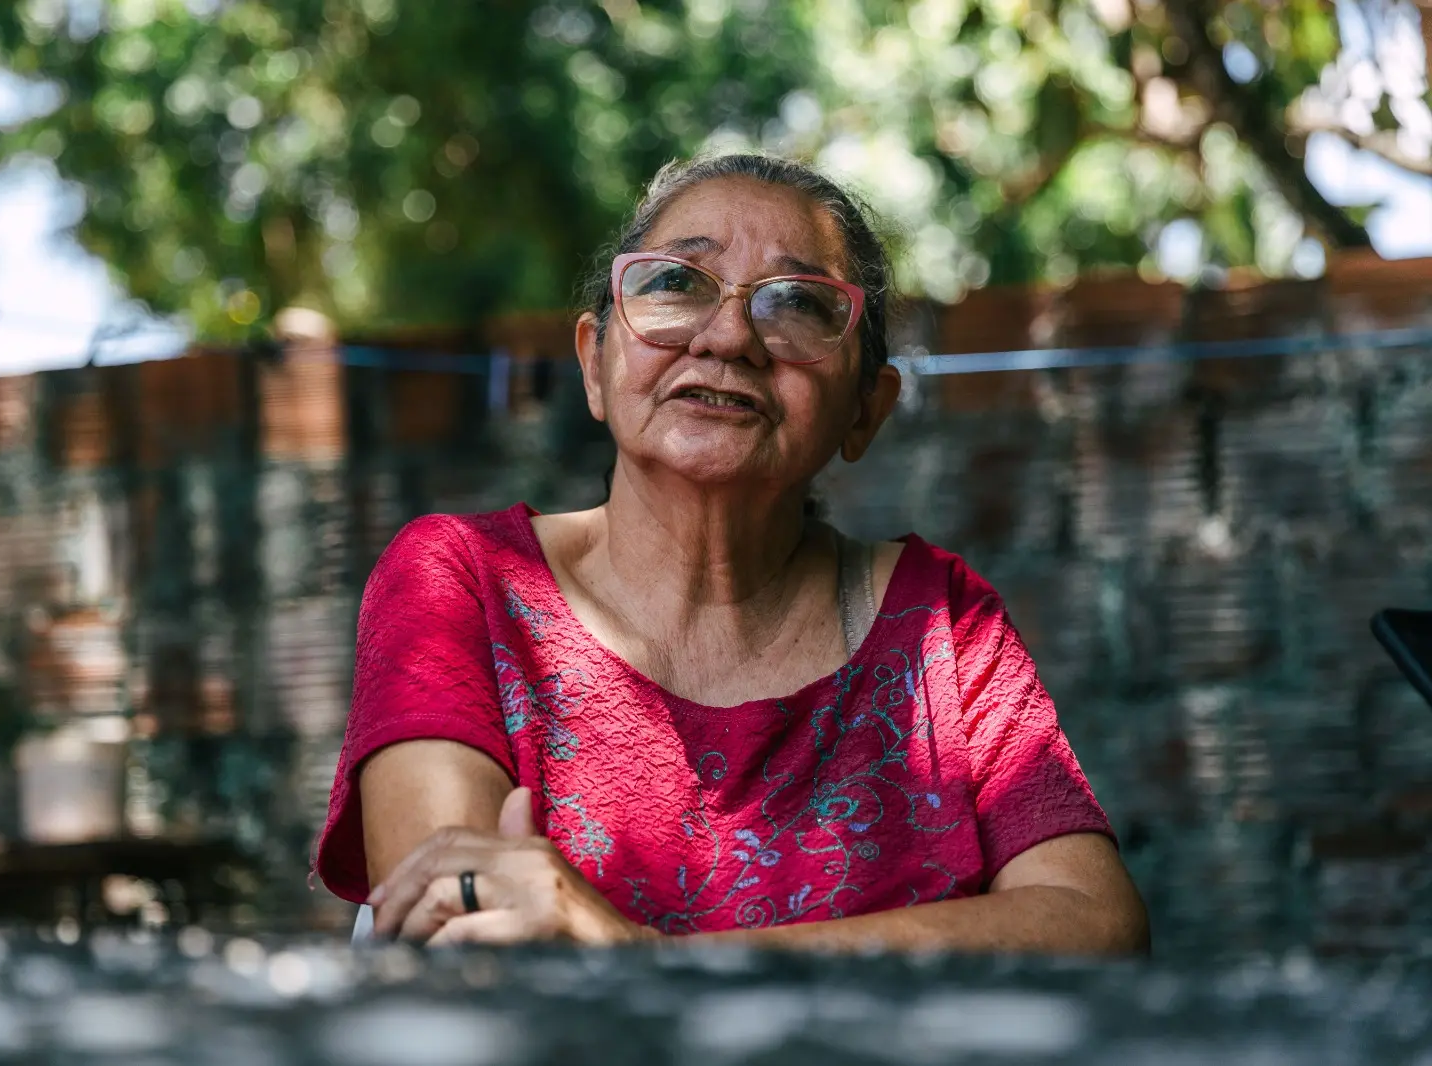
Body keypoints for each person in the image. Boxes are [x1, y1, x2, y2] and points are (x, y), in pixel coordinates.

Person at [314, 154, 1150, 954]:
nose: (728, 338)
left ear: (867, 409)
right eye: (677, 282)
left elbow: (1094, 921)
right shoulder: (461, 580)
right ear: (595, 367)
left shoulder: (940, 626)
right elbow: (453, 921)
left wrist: (644, 959)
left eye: (796, 304)